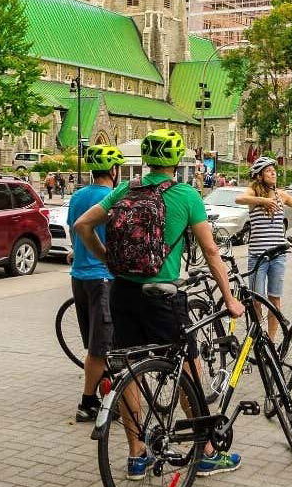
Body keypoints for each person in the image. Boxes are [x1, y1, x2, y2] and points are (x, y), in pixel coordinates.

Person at [74, 129, 246, 479]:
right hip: (163, 294)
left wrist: (107, 258)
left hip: (122, 290)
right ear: (177, 161)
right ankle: (208, 451)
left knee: (128, 369)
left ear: (148, 160)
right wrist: (229, 299)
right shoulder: (186, 195)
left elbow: (82, 224)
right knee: (187, 365)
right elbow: (211, 252)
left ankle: (137, 456)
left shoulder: (126, 189)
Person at [65, 145, 126, 422]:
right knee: (102, 347)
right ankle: (88, 403)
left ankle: (107, 394)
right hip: (103, 278)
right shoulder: (115, 197)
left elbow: (74, 229)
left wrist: (77, 251)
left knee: (96, 341)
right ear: (114, 171)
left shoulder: (78, 196)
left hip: (79, 278)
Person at [235, 157, 292, 339]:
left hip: (278, 256)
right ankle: (256, 338)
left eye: (274, 170)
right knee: (257, 299)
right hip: (258, 256)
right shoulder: (253, 193)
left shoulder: (281, 195)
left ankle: (271, 340)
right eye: (268, 170)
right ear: (259, 176)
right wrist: (263, 201)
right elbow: (239, 198)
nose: (273, 173)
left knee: (274, 298)